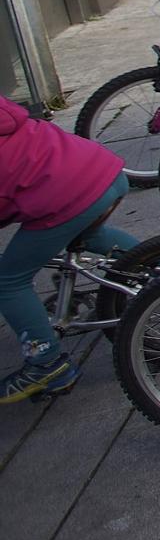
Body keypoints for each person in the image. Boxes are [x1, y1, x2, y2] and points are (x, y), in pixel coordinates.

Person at [0, 97, 135, 403]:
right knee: (90, 234)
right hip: (101, 170)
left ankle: (46, 364)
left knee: (8, 281)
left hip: (67, 195)